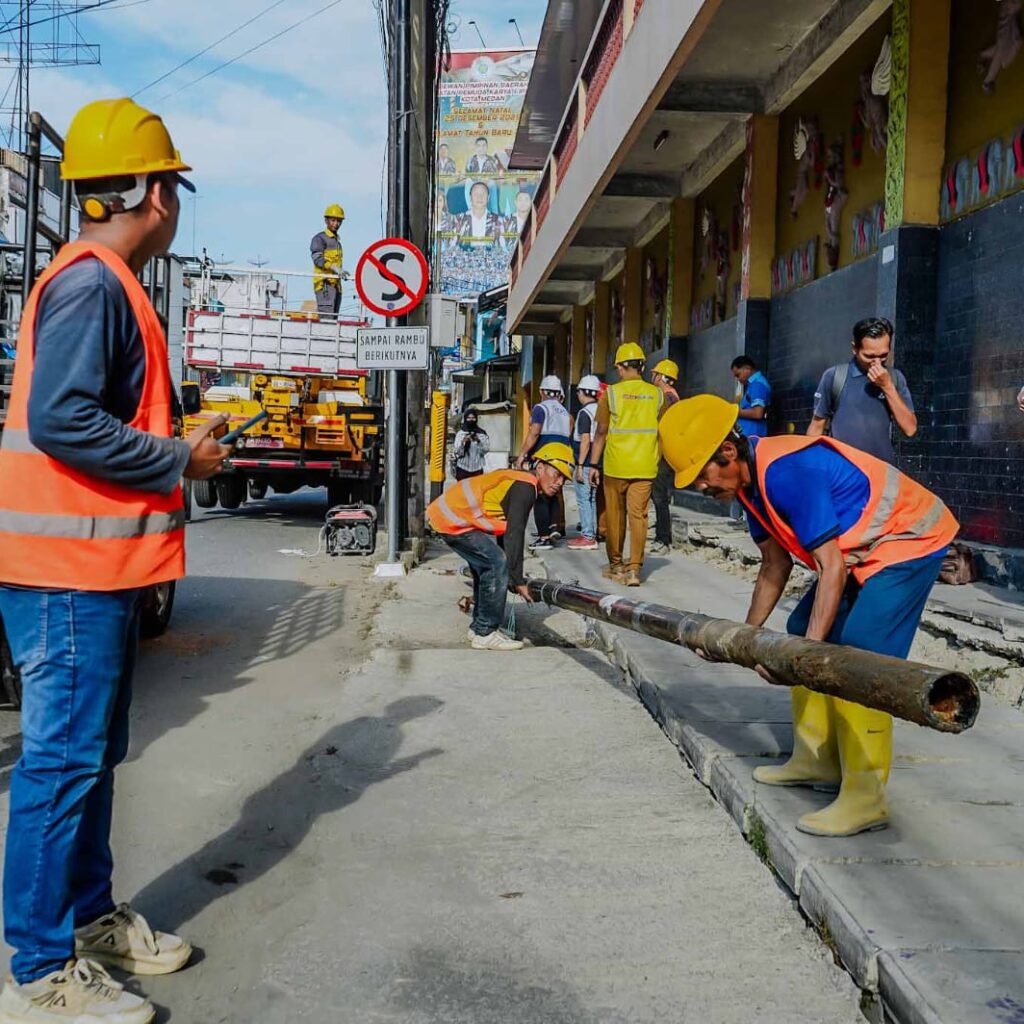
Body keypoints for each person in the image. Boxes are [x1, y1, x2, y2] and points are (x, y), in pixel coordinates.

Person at [0, 97, 231, 1023]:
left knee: (89, 758)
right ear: (154, 195)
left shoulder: (102, 280)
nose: (175, 204)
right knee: (61, 764)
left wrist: (178, 439)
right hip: (65, 579)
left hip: (96, 575)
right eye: (172, 186)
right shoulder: (96, 283)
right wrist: (182, 458)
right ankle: (38, 971)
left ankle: (88, 919)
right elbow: (61, 420)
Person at [659, 395, 958, 837]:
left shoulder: (786, 473)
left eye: (701, 475)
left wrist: (806, 658)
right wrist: (741, 637)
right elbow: (774, 565)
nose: (701, 488)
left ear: (726, 451)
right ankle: (816, 761)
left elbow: (831, 566)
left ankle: (865, 797)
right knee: (801, 627)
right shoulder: (749, 486)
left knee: (861, 656)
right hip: (864, 549)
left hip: (910, 538)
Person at [427, 443, 573, 650]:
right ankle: (485, 632)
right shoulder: (526, 488)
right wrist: (518, 580)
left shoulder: (521, 481)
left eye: (564, 479)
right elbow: (515, 533)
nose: (559, 482)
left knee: (486, 565)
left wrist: (513, 576)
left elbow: (506, 532)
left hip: (449, 516)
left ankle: (479, 626)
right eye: (556, 474)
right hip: (452, 519)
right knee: (496, 563)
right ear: (540, 467)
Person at [588, 343, 664, 586]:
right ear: (642, 366)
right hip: (645, 465)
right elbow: (666, 431)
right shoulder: (657, 395)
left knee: (615, 515)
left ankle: (616, 566)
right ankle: (634, 571)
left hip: (616, 465)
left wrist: (592, 464)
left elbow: (600, 432)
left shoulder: (610, 394)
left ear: (620, 368)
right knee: (639, 516)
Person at [808, 316, 917, 463]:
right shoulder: (835, 377)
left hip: (881, 472)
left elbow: (910, 429)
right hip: (842, 471)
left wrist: (887, 386)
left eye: (883, 355)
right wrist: (810, 466)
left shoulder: (895, 378)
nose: (876, 362)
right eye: (869, 356)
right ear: (855, 348)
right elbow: (817, 426)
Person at [516, 375, 571, 550]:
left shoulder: (540, 408)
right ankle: (554, 526)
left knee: (539, 494)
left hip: (546, 456)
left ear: (541, 391)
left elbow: (535, 432)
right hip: (563, 457)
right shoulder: (564, 411)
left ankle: (544, 537)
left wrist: (523, 454)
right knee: (554, 492)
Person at [649, 359, 680, 555]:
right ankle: (661, 535)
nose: (652, 377)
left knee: (659, 496)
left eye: (654, 374)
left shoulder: (667, 398)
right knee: (658, 495)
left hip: (662, 452)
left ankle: (663, 539)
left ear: (660, 376)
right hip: (664, 451)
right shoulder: (671, 396)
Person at [568, 375, 602, 551]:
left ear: (583, 392)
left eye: (579, 391)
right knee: (592, 500)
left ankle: (588, 536)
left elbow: (585, 440)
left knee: (584, 499)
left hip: (587, 463)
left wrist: (580, 465)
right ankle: (592, 532)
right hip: (597, 463)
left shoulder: (584, 413)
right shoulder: (601, 409)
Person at [310, 203, 350, 316]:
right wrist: (333, 267)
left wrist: (340, 271)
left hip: (336, 286)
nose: (336, 224)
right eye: (333, 220)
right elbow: (317, 259)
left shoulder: (337, 242)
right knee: (326, 321)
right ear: (326, 220)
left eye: (339, 221)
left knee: (334, 320)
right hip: (325, 286)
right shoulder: (319, 239)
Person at [731, 355, 771, 438]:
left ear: (747, 368)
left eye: (738, 375)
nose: (738, 379)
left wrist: (735, 411)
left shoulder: (758, 385)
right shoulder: (752, 385)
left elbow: (758, 413)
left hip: (753, 437)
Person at [454, 181, 502, 248]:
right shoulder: (459, 219)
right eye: (476, 194)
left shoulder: (498, 220)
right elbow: (452, 247)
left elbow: (503, 248)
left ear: (488, 198)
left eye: (483, 194)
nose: (480, 197)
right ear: (470, 197)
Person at [450, 407, 490, 480]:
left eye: (473, 418)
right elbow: (457, 452)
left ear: (476, 419)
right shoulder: (460, 434)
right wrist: (463, 442)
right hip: (462, 467)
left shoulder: (482, 434)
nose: (471, 420)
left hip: (477, 468)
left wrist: (478, 441)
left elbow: (485, 450)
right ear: (465, 419)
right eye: (468, 418)